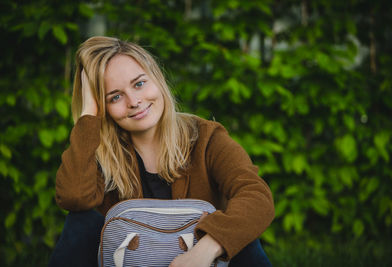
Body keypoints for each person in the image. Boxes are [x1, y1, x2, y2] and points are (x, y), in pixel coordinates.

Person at [49, 36, 274, 267]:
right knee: (81, 220)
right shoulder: (99, 154)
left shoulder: (206, 138)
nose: (134, 101)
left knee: (241, 233)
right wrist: (88, 115)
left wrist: (207, 249)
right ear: (103, 107)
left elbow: (256, 196)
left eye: (139, 84)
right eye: (115, 97)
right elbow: (74, 198)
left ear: (157, 79)